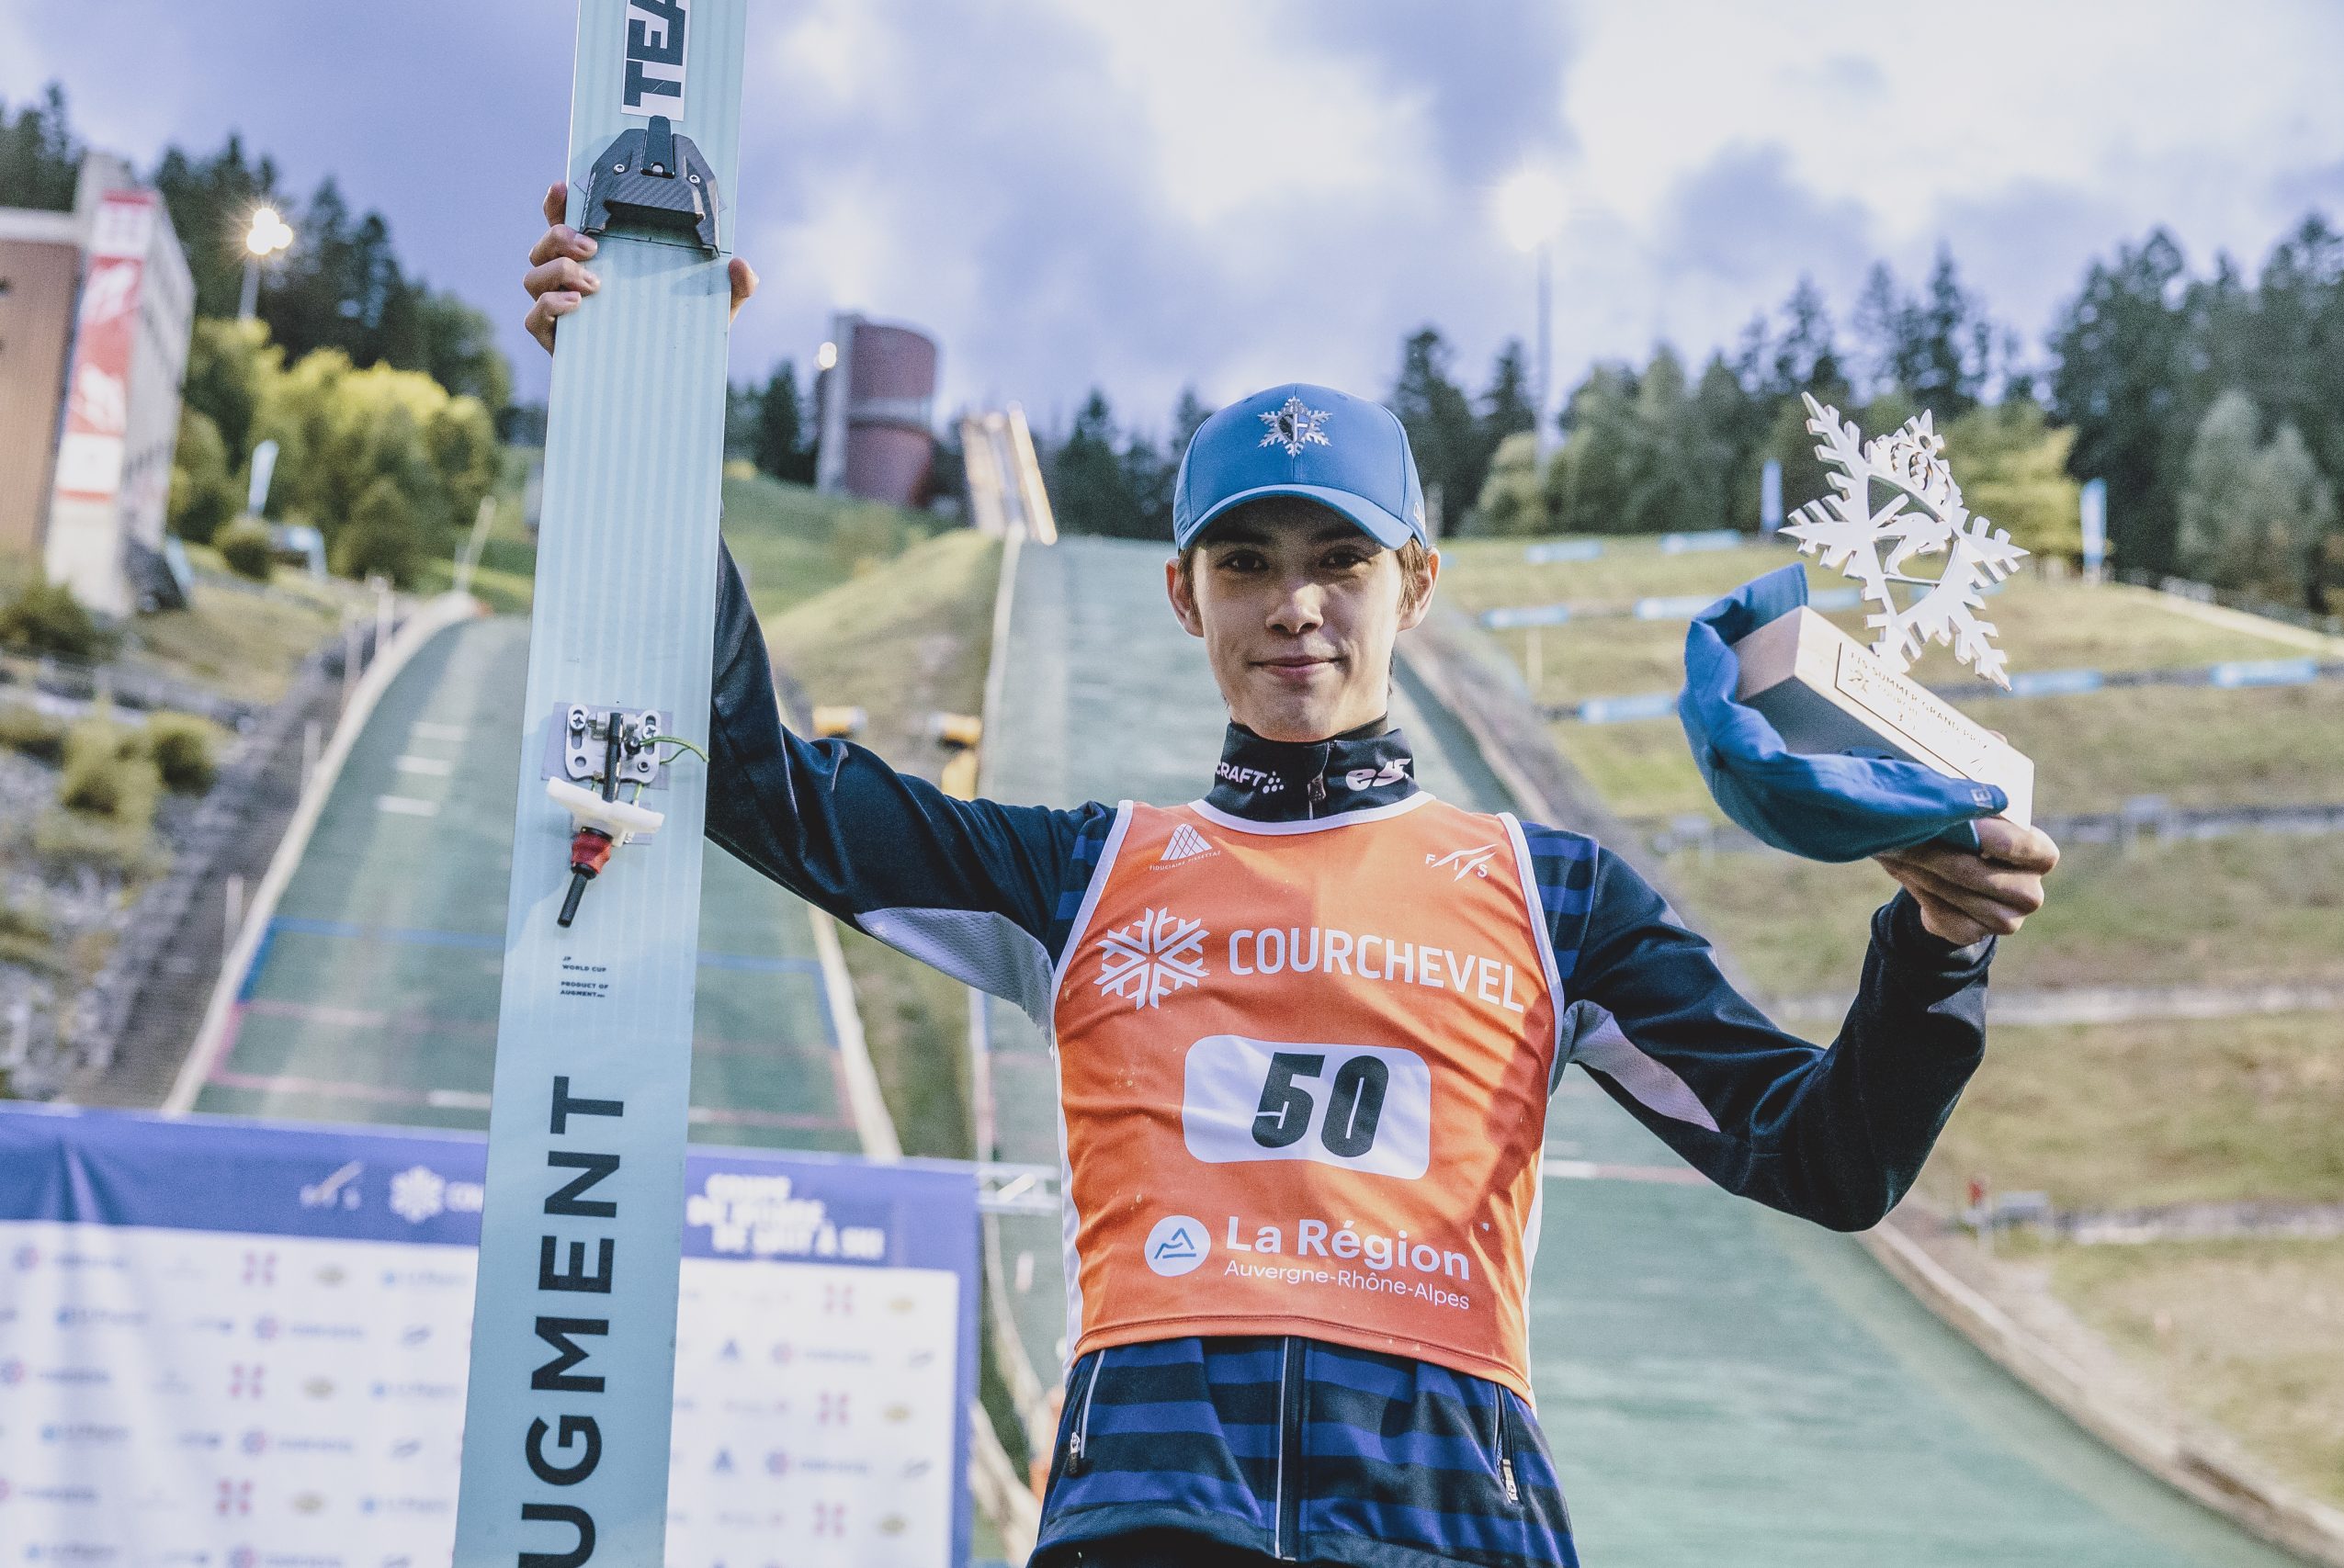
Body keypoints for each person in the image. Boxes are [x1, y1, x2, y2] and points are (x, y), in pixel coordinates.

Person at [523, 186, 2059, 1568]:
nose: (1296, 605)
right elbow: (759, 783)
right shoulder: (1081, 878)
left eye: (1341, 559)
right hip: (1154, 1515)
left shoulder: (1556, 900)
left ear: (1417, 583)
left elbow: (1822, 1161)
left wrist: (1936, 947)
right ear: (1184, 593)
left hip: (1449, 1520)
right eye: (1247, 562)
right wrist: (648, 402)